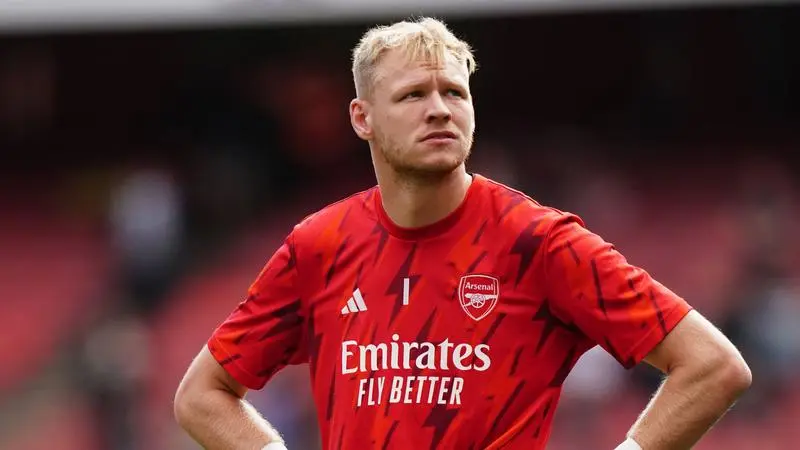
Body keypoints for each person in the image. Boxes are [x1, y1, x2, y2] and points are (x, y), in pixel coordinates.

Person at [174, 17, 751, 450]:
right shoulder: (319, 246)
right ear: (362, 118)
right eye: (413, 95)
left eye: (454, 92)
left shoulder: (537, 241)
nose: (440, 110)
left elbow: (712, 365)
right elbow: (202, 395)